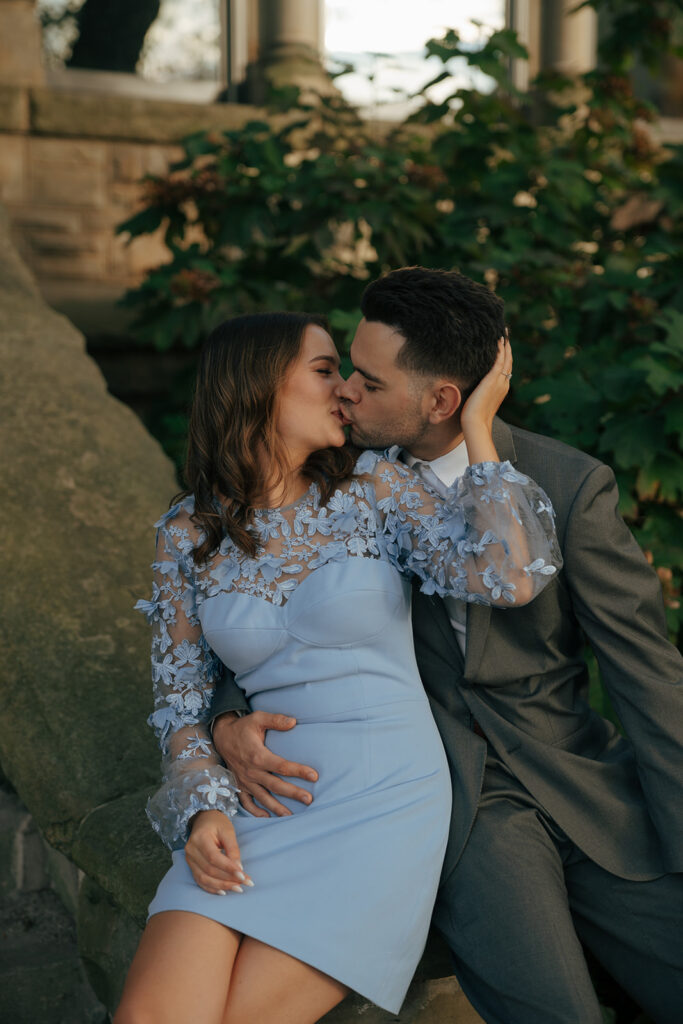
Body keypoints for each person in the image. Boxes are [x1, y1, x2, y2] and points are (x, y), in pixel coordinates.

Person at [209, 270, 683, 1024]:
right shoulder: (333, 484)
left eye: (367, 380)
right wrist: (225, 718)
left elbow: (645, 673)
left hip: (582, 780)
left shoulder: (565, 484)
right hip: (452, 803)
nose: (345, 395)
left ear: (441, 401)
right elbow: (254, 604)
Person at [115, 310, 560, 1024]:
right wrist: (202, 807)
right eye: (325, 371)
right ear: (259, 388)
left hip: (381, 802)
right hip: (257, 804)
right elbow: (178, 699)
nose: (346, 391)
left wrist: (478, 427)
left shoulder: (373, 489)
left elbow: (507, 576)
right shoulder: (187, 530)